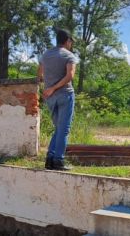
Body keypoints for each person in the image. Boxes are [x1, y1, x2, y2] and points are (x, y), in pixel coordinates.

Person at [37, 29, 79, 171]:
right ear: (67, 41)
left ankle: (50, 159)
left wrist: (47, 88)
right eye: (71, 42)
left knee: (58, 129)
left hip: (50, 98)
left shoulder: (46, 55)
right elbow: (70, 76)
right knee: (64, 130)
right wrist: (54, 87)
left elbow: (39, 74)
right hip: (65, 95)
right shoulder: (69, 56)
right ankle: (59, 161)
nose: (71, 44)